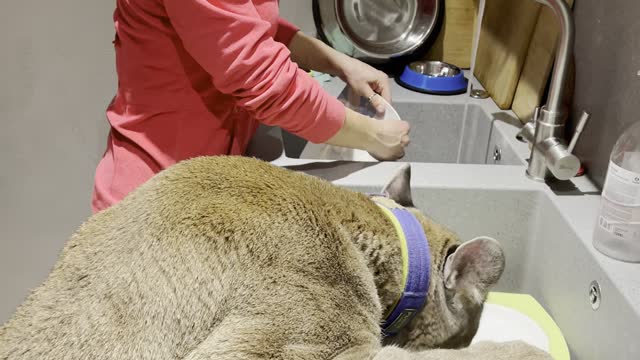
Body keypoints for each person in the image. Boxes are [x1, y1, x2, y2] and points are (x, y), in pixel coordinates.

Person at [91, 0, 411, 213]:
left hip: (199, 188)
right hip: (153, 202)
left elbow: (247, 24)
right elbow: (264, 80)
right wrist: (374, 136)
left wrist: (338, 63)